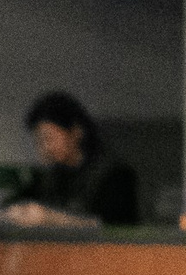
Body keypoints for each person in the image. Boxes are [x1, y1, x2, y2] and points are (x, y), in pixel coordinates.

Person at [16, 90, 140, 225]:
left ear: (76, 132)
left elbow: (112, 228)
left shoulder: (113, 175)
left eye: (49, 138)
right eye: (39, 141)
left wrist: (52, 219)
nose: (45, 148)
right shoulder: (48, 179)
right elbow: (15, 202)